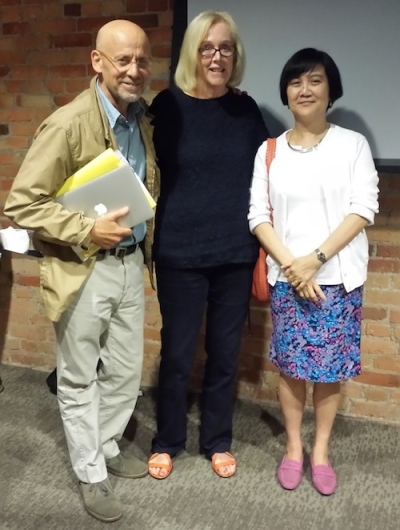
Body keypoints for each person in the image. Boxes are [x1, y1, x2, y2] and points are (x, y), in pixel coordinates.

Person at [5, 20, 160, 522]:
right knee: (77, 378)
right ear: (97, 62)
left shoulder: (140, 119)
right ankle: (91, 472)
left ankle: (108, 443)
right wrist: (84, 229)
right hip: (82, 266)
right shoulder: (68, 124)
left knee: (124, 372)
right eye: (123, 60)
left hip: (130, 262)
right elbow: (22, 203)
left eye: (141, 60)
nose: (134, 70)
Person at [248, 48, 379, 495]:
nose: (305, 89)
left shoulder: (353, 144)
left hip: (337, 278)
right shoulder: (270, 151)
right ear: (285, 93)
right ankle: (292, 448)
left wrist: (314, 260)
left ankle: (320, 450)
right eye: (295, 81)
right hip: (289, 280)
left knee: (328, 371)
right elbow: (257, 217)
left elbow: (363, 208)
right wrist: (292, 265)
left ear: (330, 90)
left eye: (315, 80)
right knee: (291, 368)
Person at [147, 11, 269, 480]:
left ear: (234, 55)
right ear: (193, 53)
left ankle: (217, 440)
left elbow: (264, 176)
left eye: (226, 48)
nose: (217, 57)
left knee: (224, 352)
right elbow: (146, 172)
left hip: (236, 253)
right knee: (177, 353)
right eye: (207, 47)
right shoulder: (167, 106)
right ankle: (168, 440)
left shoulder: (246, 110)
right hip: (179, 252)